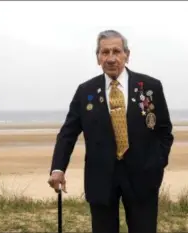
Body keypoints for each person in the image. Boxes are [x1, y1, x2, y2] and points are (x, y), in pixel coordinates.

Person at [47, 29, 174, 233]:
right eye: (105, 52)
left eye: (116, 51)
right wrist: (58, 169)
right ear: (98, 58)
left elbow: (164, 130)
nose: (111, 58)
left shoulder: (150, 87)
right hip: (101, 178)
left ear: (127, 55)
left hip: (143, 176)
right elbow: (68, 133)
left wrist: (157, 163)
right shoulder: (85, 91)